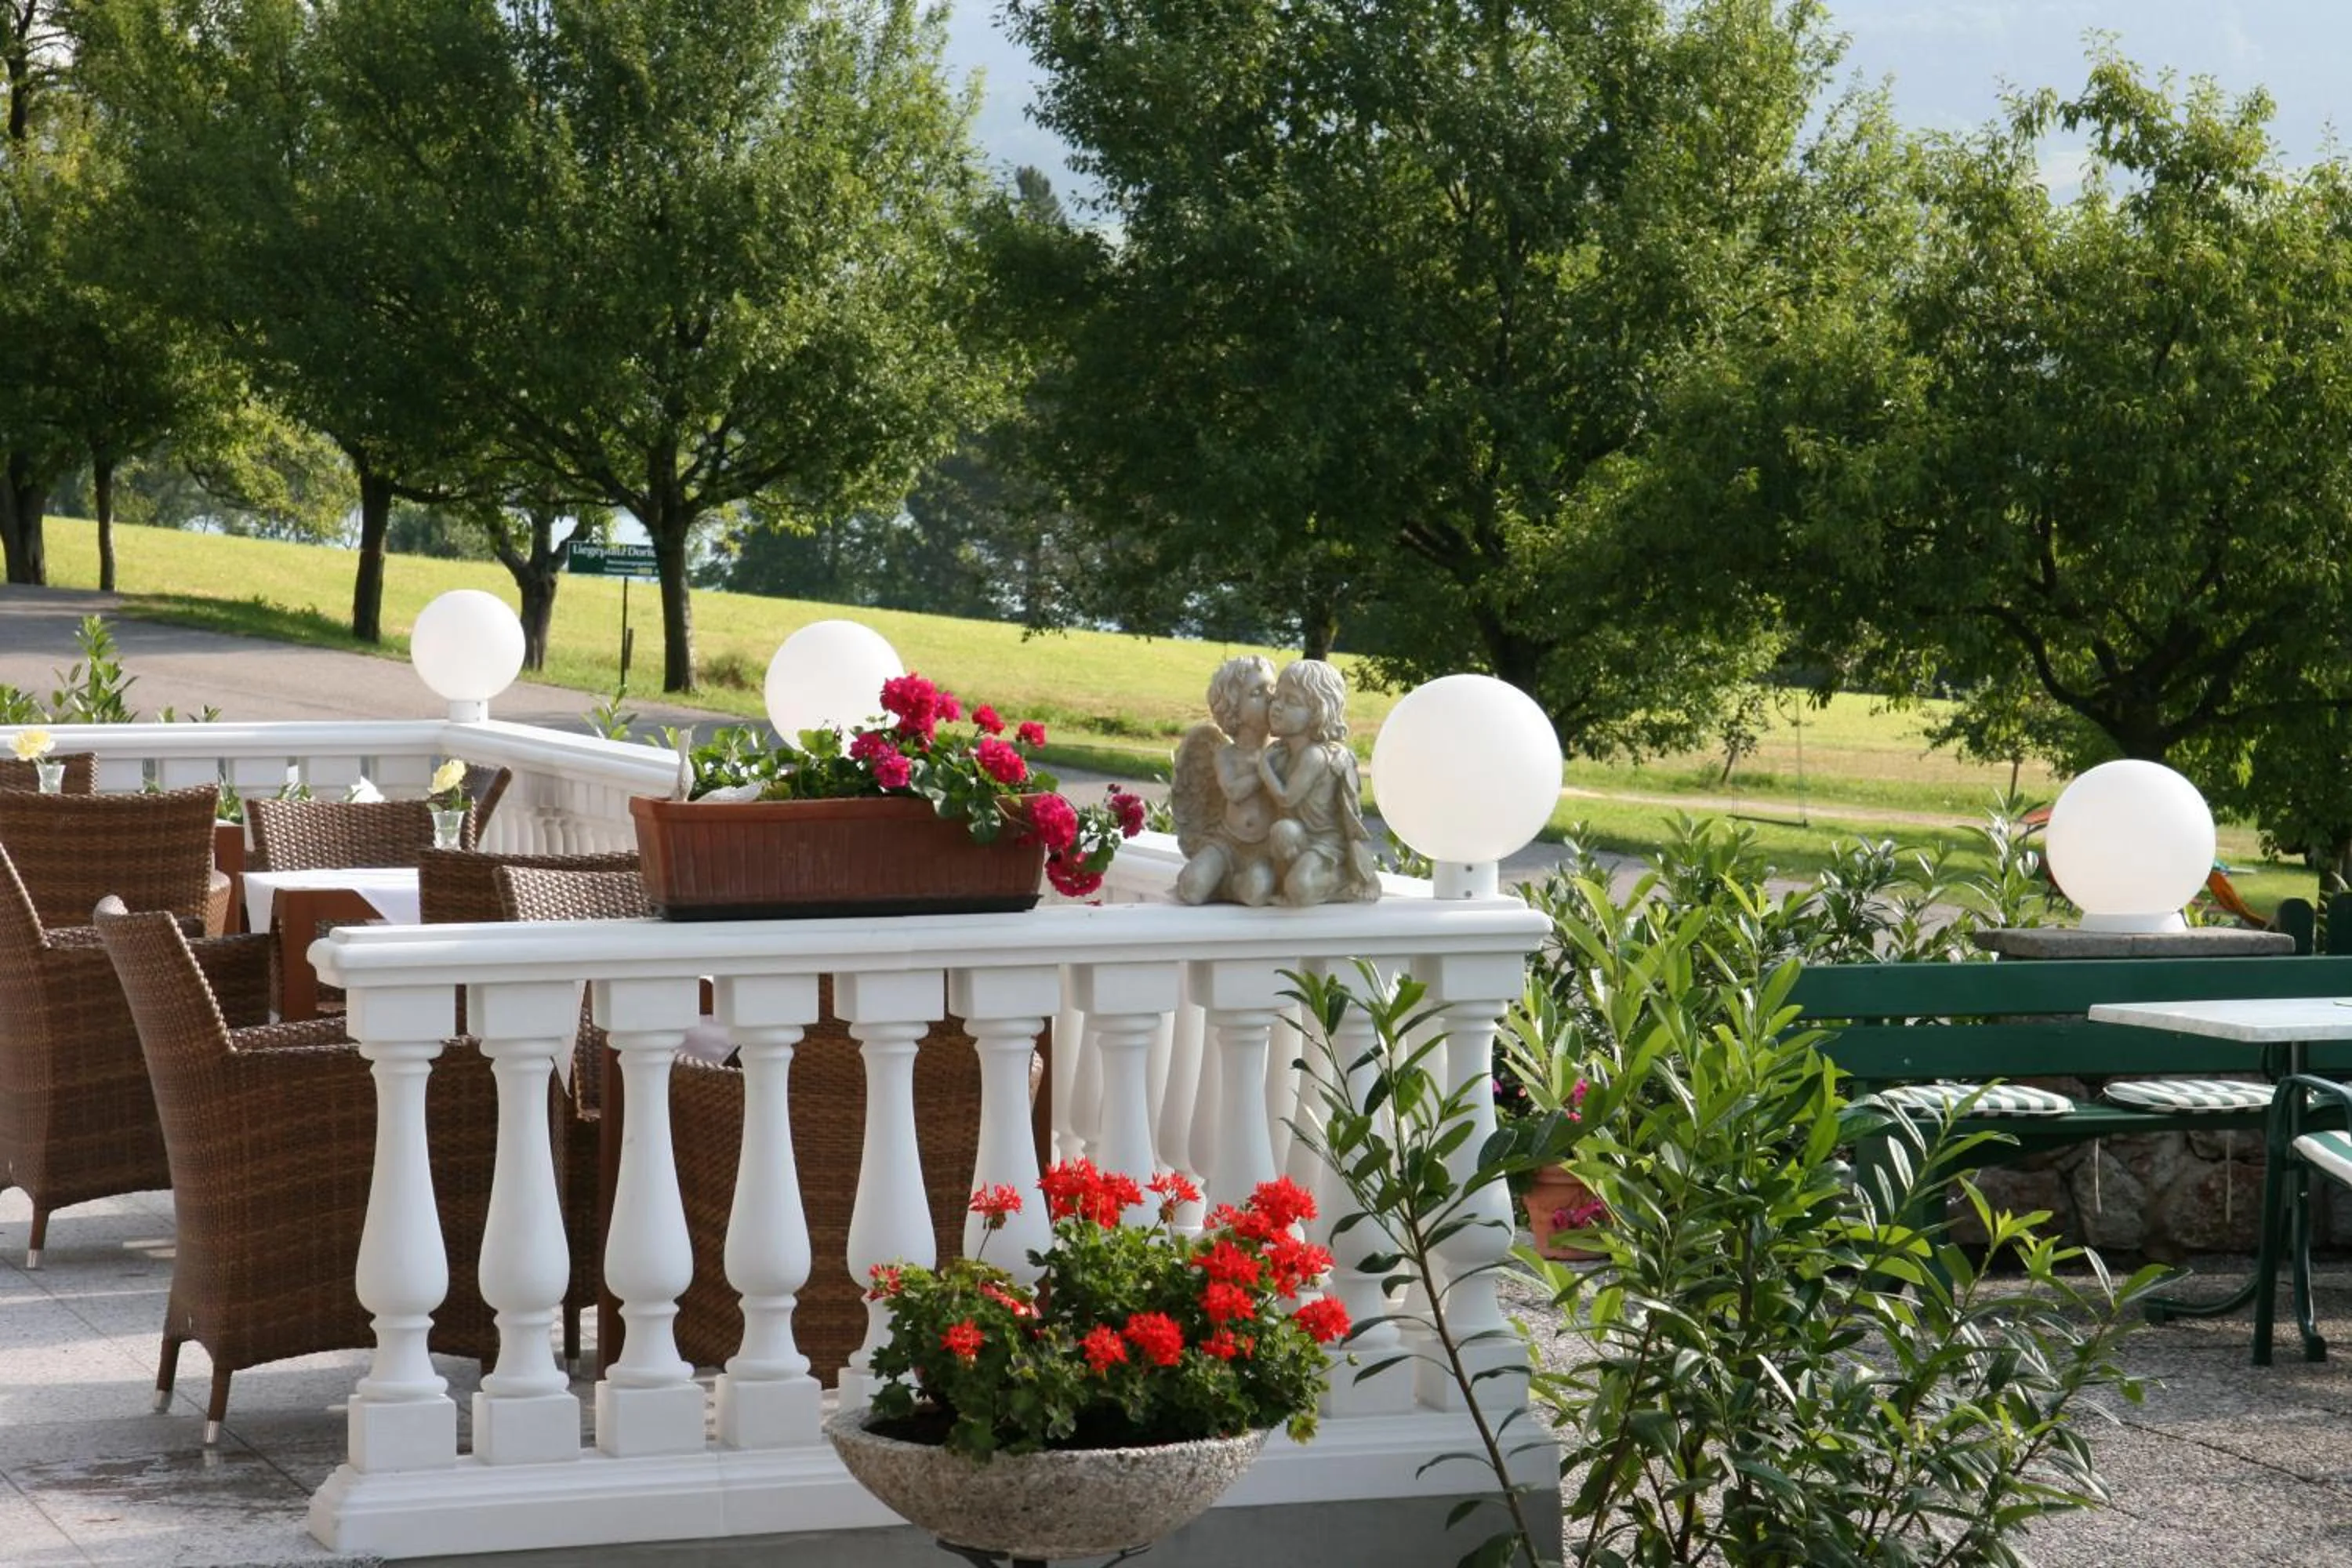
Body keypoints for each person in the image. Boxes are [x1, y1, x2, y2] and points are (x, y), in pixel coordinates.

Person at [1258, 659, 1380, 906]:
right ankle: (1293, 882)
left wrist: (1262, 767)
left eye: (1291, 702)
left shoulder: (1315, 756)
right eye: (1277, 697)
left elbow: (1286, 798)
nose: (1277, 707)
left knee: (1300, 889)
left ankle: (1344, 882)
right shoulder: (1283, 753)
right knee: (1283, 831)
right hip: (1299, 837)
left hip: (1326, 844)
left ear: (1318, 712)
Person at [1171, 655, 1280, 905]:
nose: (1270, 698)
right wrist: (1263, 771)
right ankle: (1224, 880)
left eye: (1273, 689)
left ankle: (1234, 884)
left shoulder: (1282, 753)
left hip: (1264, 850)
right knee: (1191, 887)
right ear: (1233, 710)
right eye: (1258, 692)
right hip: (1226, 842)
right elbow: (1233, 791)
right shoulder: (1226, 755)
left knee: (1256, 892)